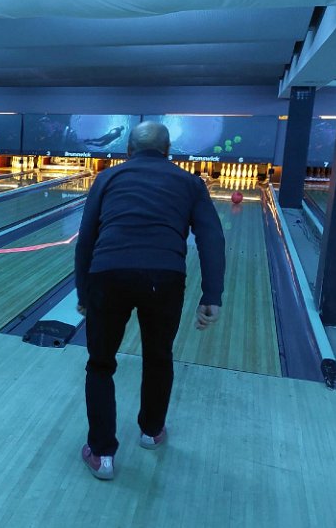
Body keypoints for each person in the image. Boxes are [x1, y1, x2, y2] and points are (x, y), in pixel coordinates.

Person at [74, 122, 225, 480]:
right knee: (159, 357)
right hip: (164, 276)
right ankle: (151, 432)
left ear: (128, 150)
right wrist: (212, 294)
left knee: (100, 364)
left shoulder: (107, 178)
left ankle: (102, 454)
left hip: (108, 274)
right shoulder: (190, 182)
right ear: (169, 151)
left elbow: (86, 239)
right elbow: (212, 238)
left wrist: (83, 292)